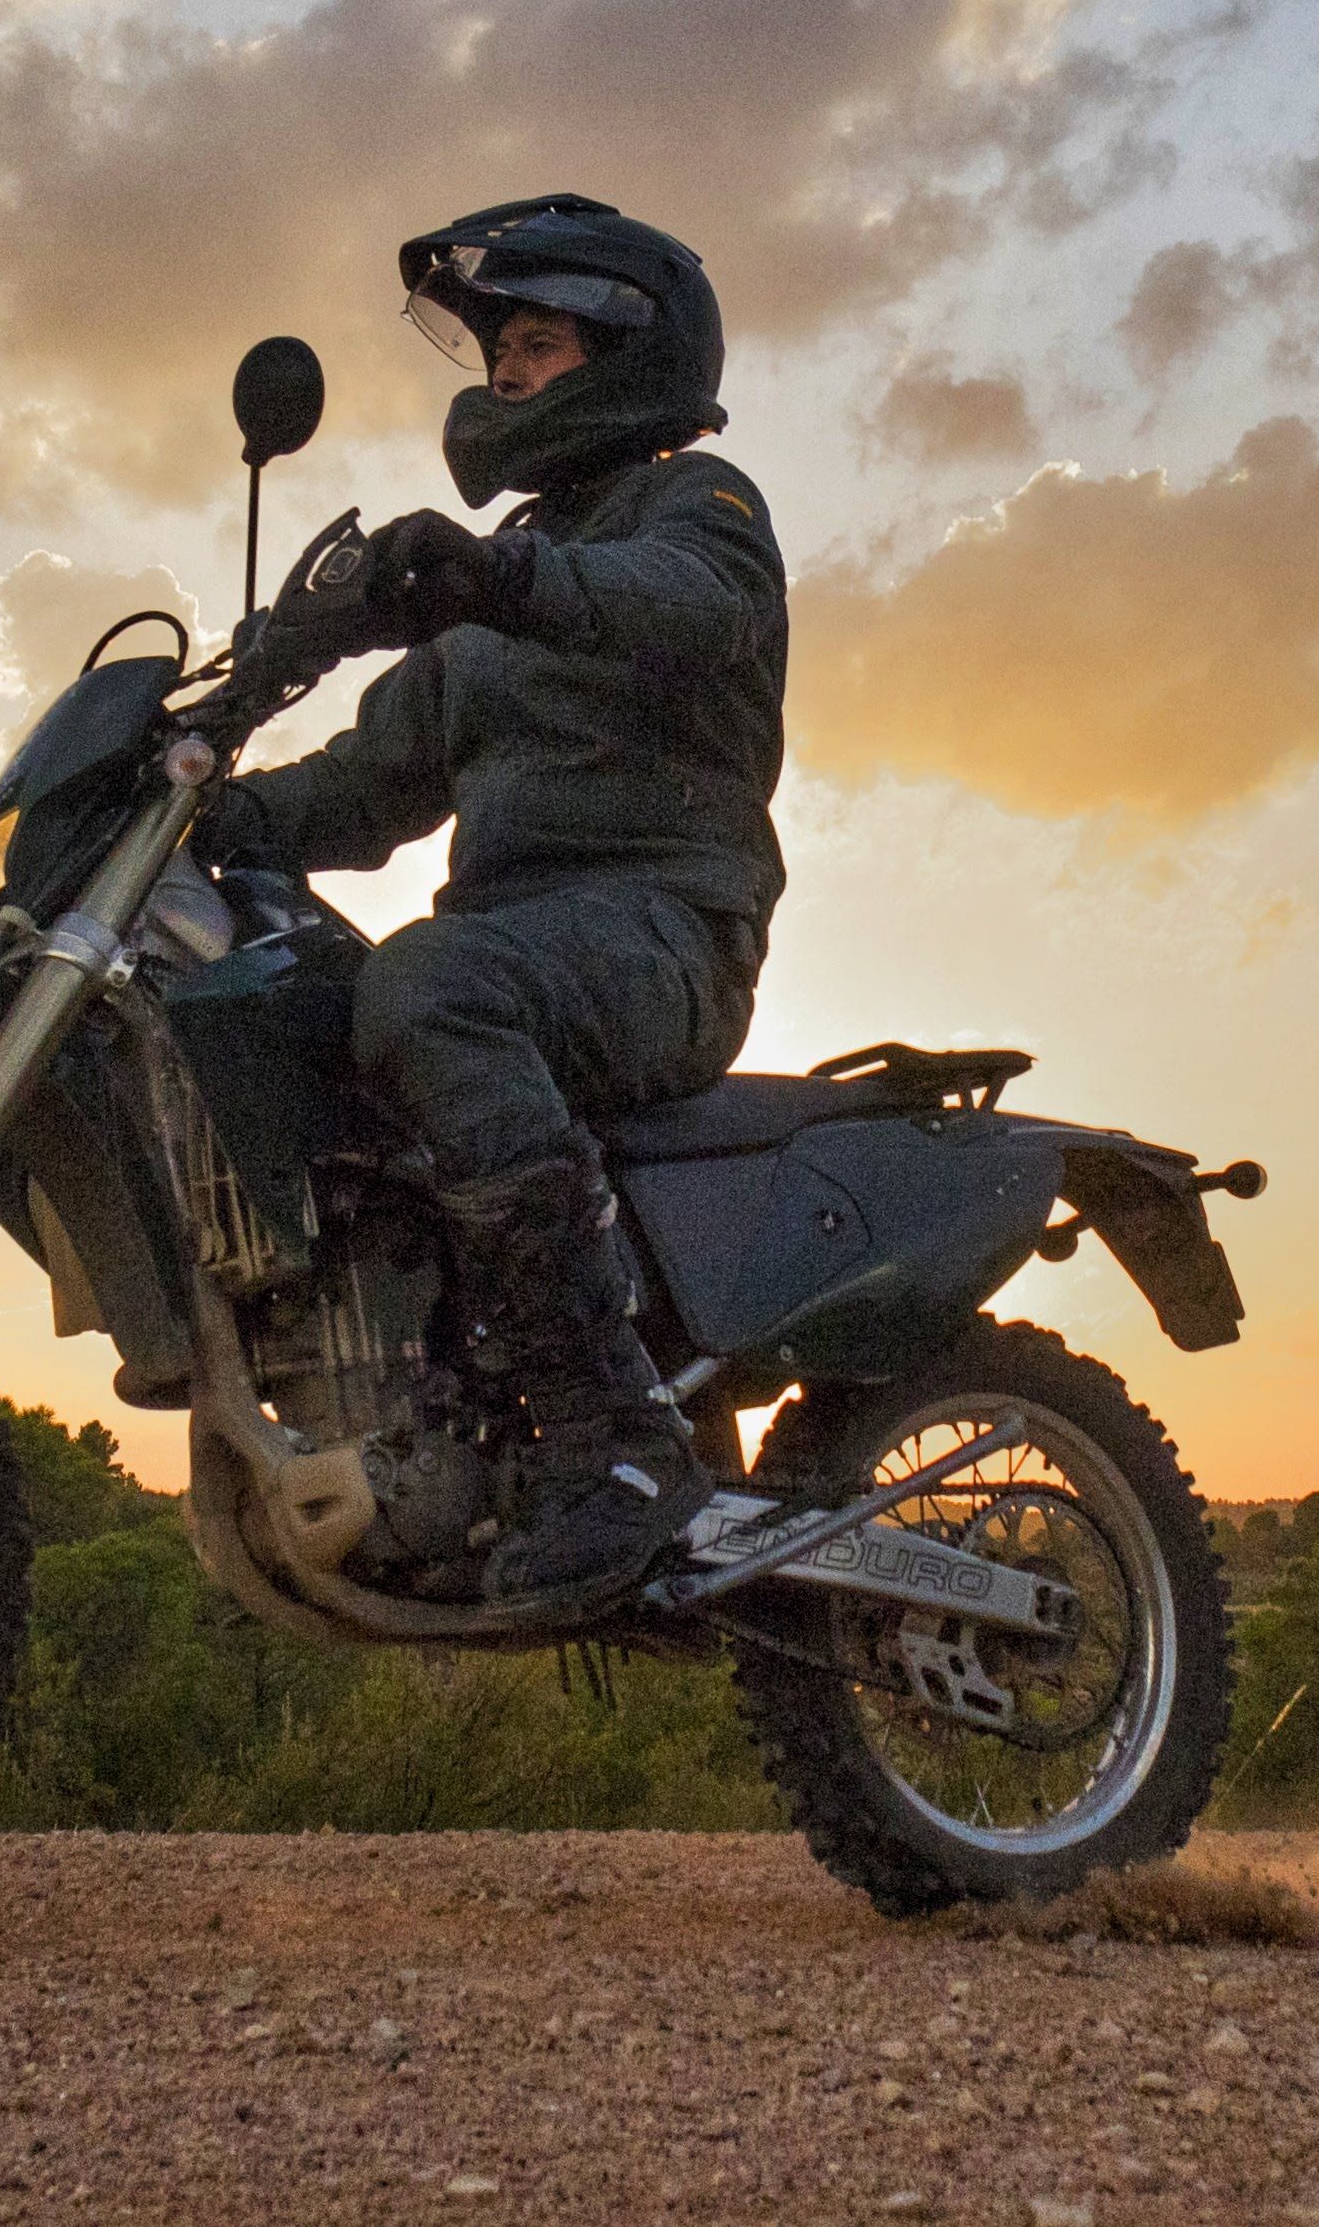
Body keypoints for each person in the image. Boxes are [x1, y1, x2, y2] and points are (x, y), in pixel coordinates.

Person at [202, 195, 785, 1609]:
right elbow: (365, 786)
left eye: (533, 342)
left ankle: (621, 1439)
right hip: (530, 948)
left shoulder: (695, 509)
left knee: (428, 983)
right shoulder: (494, 597)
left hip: (661, 934)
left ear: (630, 354)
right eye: (496, 350)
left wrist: (506, 574)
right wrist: (202, 809)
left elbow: (688, 605)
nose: (503, 372)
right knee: (287, 989)